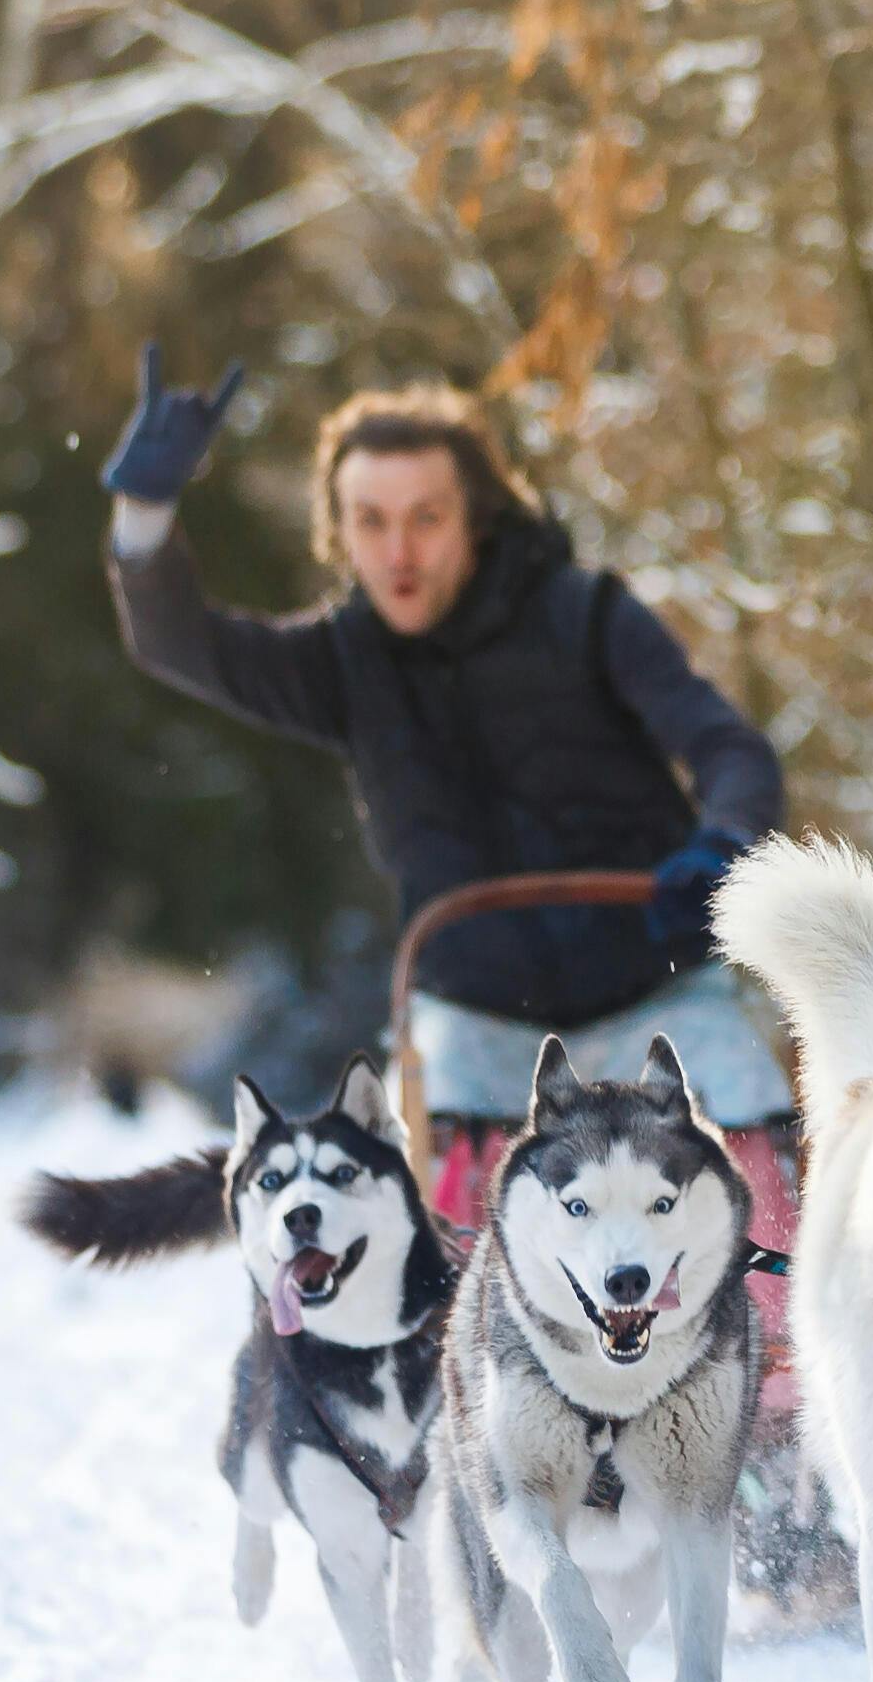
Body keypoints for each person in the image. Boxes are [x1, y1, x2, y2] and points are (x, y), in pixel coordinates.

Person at [92, 348, 796, 1249]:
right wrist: (145, 515)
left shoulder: (586, 615)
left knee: (739, 1101)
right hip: (475, 1014)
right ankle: (462, 1367)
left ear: (477, 517)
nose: (398, 550)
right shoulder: (342, 663)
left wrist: (727, 842)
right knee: (430, 1173)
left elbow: (727, 745)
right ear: (336, 530)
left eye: (426, 517)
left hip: (653, 988)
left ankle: (771, 1365)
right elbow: (180, 644)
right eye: (370, 520)